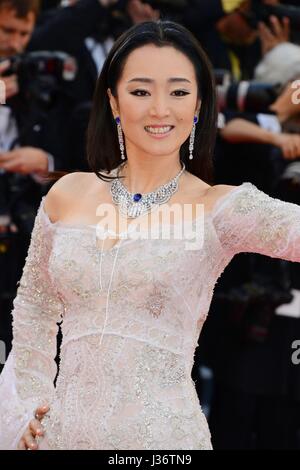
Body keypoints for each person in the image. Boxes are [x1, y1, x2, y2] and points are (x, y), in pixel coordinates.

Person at [0, 19, 300, 450]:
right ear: (114, 101)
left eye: (178, 92)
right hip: (60, 436)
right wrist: (26, 407)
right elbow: (33, 309)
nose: (161, 109)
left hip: (163, 443)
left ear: (199, 104)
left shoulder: (220, 208)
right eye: (141, 91)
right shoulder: (66, 195)